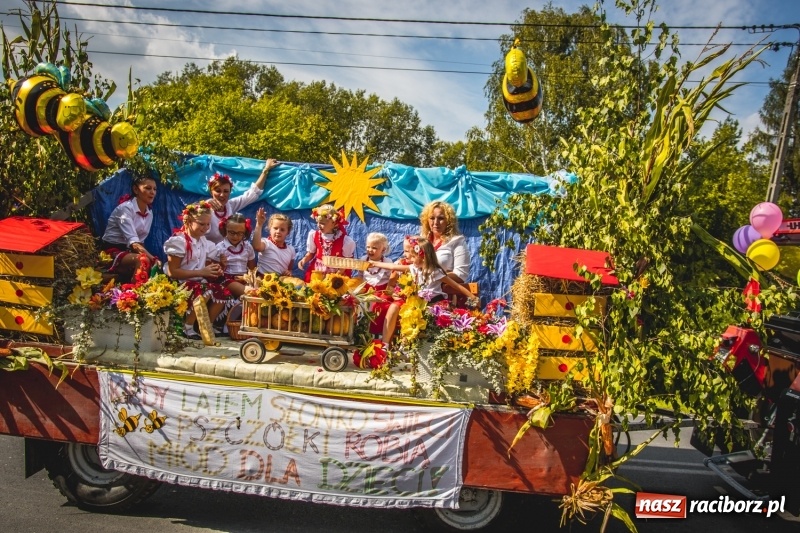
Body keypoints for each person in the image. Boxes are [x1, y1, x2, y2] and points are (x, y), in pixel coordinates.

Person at [369, 235, 477, 346]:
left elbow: (456, 286)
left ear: (423, 257)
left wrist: (472, 297)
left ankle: (423, 345)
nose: (410, 259)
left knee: (427, 318)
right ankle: (400, 345)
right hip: (421, 305)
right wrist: (375, 263)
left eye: (413, 256)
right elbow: (393, 267)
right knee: (410, 317)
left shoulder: (434, 271)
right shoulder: (415, 268)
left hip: (435, 304)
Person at [163, 201, 229, 340]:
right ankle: (187, 326)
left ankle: (205, 325)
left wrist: (220, 265)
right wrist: (201, 272)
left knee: (222, 291)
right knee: (204, 289)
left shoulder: (204, 242)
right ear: (188, 221)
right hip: (179, 283)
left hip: (197, 281)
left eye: (208, 224)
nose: (205, 228)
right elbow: (172, 272)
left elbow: (209, 264)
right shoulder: (178, 241)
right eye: (201, 224)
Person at [204, 158, 279, 244]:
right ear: (211, 192)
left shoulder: (230, 205)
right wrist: (204, 205)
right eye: (218, 191)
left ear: (230, 192)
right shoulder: (204, 208)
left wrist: (266, 170)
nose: (222, 195)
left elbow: (252, 193)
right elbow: (193, 215)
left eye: (226, 191)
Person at [101, 174, 159, 283]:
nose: (152, 192)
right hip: (112, 251)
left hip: (130, 251)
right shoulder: (125, 209)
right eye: (148, 188)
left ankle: (139, 290)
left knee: (150, 263)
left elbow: (140, 243)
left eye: (154, 189)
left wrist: (152, 260)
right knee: (143, 260)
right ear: (136, 190)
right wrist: (153, 258)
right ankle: (134, 291)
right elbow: (134, 244)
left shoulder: (149, 213)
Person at [297, 203, 356, 281]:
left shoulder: (344, 240)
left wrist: (337, 274)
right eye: (318, 222)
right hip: (318, 271)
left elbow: (347, 261)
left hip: (336, 273)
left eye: (322, 223)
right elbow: (311, 253)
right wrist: (304, 260)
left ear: (334, 223)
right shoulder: (314, 235)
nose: (319, 225)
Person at [419, 201, 470, 283]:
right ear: (426, 220)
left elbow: (461, 275)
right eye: (432, 218)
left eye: (441, 218)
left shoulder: (457, 241)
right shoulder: (421, 240)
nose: (436, 222)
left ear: (449, 221)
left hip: (445, 290)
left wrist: (432, 276)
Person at [214, 213, 257, 298]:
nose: (235, 236)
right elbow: (215, 272)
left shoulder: (248, 247)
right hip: (227, 279)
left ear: (245, 232)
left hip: (245, 278)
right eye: (231, 232)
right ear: (225, 230)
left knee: (260, 291)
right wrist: (221, 264)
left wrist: (251, 281)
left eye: (240, 233)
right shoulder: (219, 248)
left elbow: (252, 269)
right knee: (251, 293)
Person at [252, 207, 296, 277]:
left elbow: (289, 269)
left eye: (282, 230)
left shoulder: (291, 250)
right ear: (270, 229)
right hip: (262, 279)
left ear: (288, 232)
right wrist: (259, 224)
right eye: (275, 228)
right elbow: (256, 247)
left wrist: (288, 272)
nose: (278, 231)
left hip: (280, 281)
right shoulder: (266, 243)